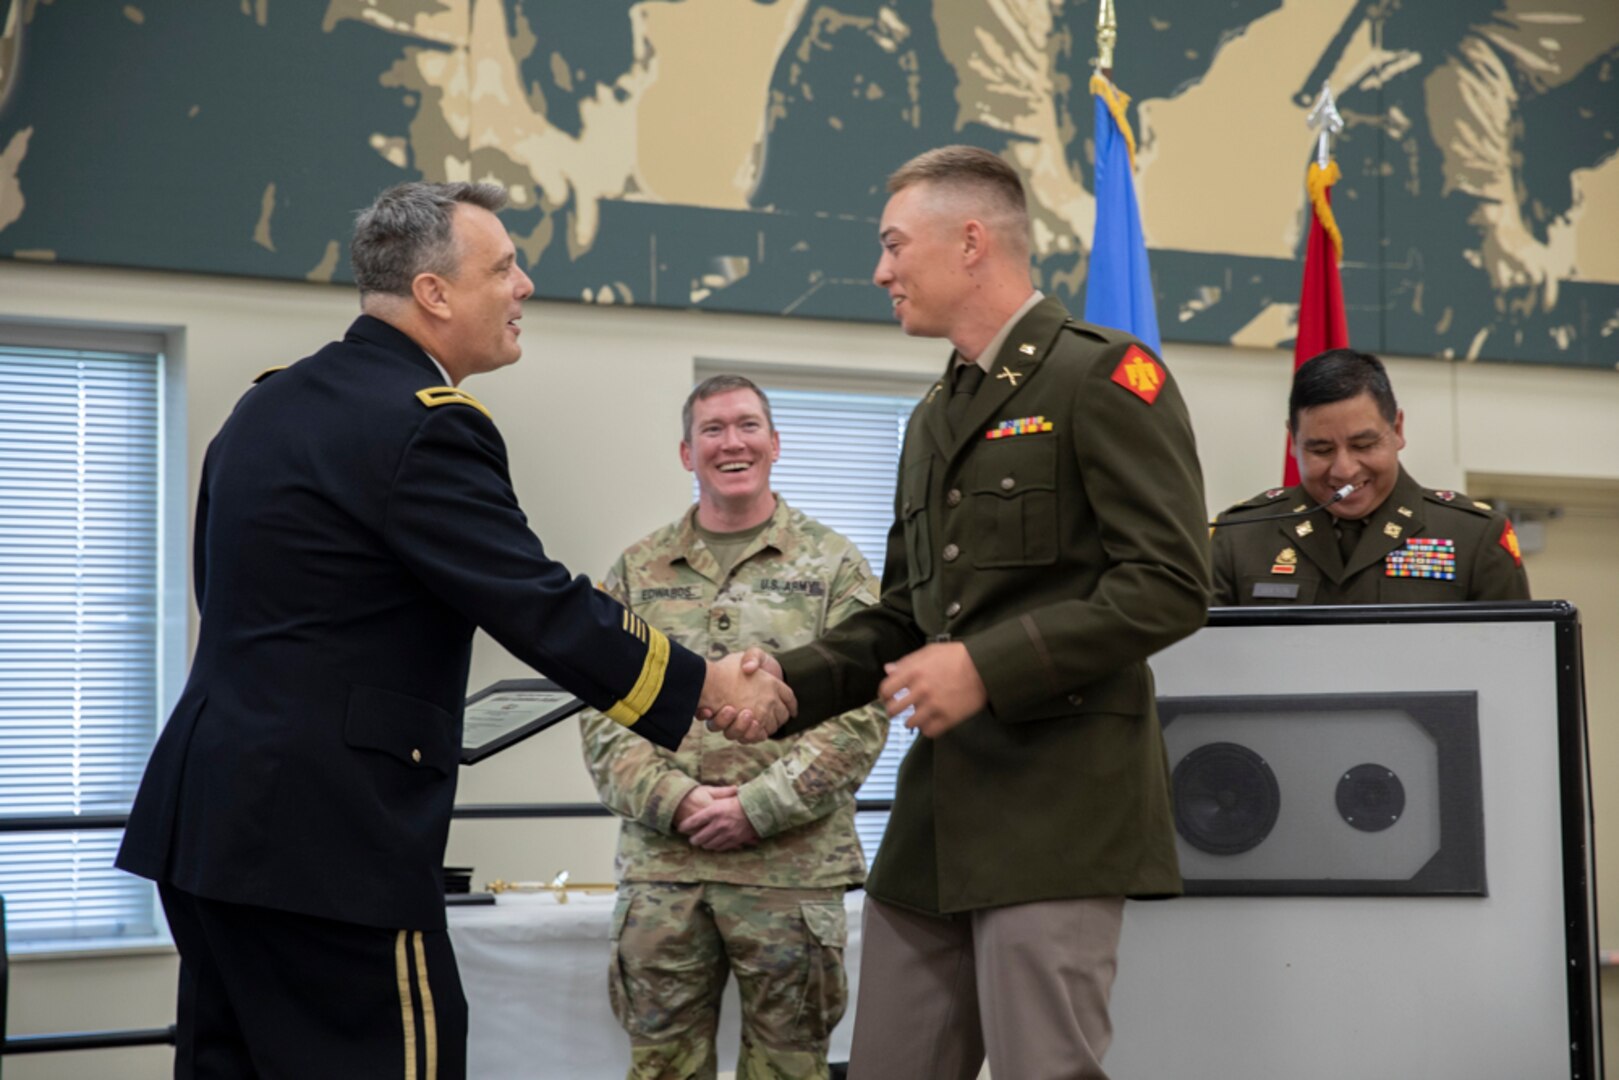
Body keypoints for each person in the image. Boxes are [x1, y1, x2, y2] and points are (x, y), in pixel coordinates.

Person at [114, 181, 793, 1080]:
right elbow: (534, 601)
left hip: (207, 823)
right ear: (433, 293)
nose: (524, 285)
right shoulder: (420, 426)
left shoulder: (269, 404)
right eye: (504, 266)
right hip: (330, 843)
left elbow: (229, 596)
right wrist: (705, 685)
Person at [725, 146, 1212, 1080]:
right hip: (935, 829)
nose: (881, 271)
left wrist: (985, 665)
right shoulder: (933, 414)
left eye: (894, 245)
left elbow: (1168, 581)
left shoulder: (1104, 380)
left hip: (1058, 813)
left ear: (972, 242)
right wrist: (790, 680)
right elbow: (907, 617)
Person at [579, 374, 888, 1080]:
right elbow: (600, 709)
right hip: (666, 872)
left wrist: (759, 807)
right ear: (687, 454)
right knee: (662, 1070)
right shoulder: (635, 569)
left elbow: (862, 709)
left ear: (775, 443)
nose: (731, 442)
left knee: (788, 1070)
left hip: (790, 871)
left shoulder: (835, 565)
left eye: (747, 425)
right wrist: (677, 802)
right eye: (711, 430)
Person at [1211, 347, 1531, 604]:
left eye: (1363, 445)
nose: (1345, 470)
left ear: (1397, 429)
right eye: (1321, 450)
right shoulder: (1240, 538)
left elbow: (1514, 667)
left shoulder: (1474, 538)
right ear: (1292, 441)